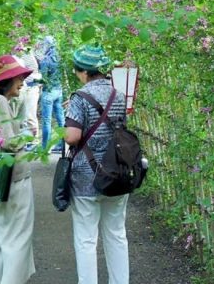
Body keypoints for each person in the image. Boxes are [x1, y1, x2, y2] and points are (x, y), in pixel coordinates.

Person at [64, 44, 129, 284]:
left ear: (83, 72)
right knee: (116, 234)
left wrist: (65, 124)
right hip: (117, 173)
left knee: (86, 239)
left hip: (86, 177)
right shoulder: (118, 96)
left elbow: (72, 136)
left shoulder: (79, 98)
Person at [0, 54, 36, 284]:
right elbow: (8, 142)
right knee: (18, 241)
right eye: (18, 77)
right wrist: (27, 134)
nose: (22, 81)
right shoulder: (1, 103)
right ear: (7, 80)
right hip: (14, 180)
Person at [35, 35, 65, 152]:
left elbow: (44, 79)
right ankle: (62, 146)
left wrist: (33, 82)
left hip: (48, 92)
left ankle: (44, 148)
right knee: (60, 120)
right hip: (59, 91)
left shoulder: (45, 60)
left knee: (46, 120)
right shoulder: (59, 58)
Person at [17, 49, 41, 150]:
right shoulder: (24, 52)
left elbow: (33, 70)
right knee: (25, 116)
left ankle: (34, 142)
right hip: (28, 87)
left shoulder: (25, 53)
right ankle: (28, 140)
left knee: (30, 115)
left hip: (31, 88)